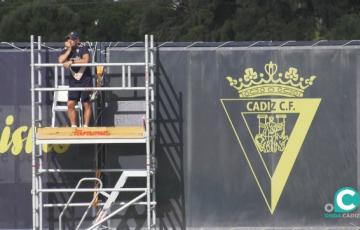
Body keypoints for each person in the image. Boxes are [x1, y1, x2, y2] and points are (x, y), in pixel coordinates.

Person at [58, 32, 92, 127]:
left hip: (85, 78)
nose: (70, 41)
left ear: (77, 40)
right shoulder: (66, 49)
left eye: (72, 39)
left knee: (86, 103)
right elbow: (60, 60)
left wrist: (71, 61)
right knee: (70, 103)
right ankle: (73, 126)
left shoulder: (83, 47)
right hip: (74, 80)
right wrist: (68, 50)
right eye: (68, 39)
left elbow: (86, 60)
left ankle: (86, 126)